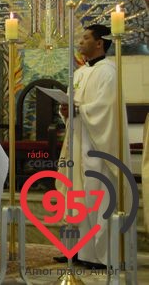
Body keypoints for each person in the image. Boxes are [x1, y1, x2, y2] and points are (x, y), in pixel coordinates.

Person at [53, 24, 131, 269]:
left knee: (96, 195)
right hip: (77, 142)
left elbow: (106, 108)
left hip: (98, 146)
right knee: (75, 194)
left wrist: (79, 109)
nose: (80, 42)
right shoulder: (79, 73)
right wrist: (65, 110)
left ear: (99, 43)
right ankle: (74, 249)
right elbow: (71, 103)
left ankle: (99, 255)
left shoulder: (109, 72)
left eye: (86, 38)